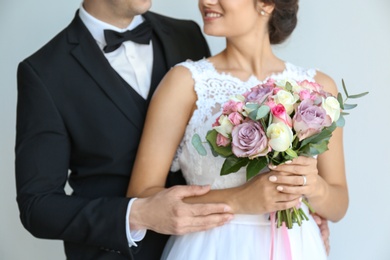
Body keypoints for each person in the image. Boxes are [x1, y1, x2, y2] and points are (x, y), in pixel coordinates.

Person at [127, 0, 347, 259]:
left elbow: (339, 203)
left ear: (266, 4)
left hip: (297, 246)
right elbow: (142, 198)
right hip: (209, 248)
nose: (205, 1)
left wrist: (311, 186)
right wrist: (237, 200)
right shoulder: (184, 83)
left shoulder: (318, 88)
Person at [15, 1, 234, 259]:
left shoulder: (188, 34)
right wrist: (137, 215)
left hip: (203, 247)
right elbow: (37, 206)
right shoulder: (43, 71)